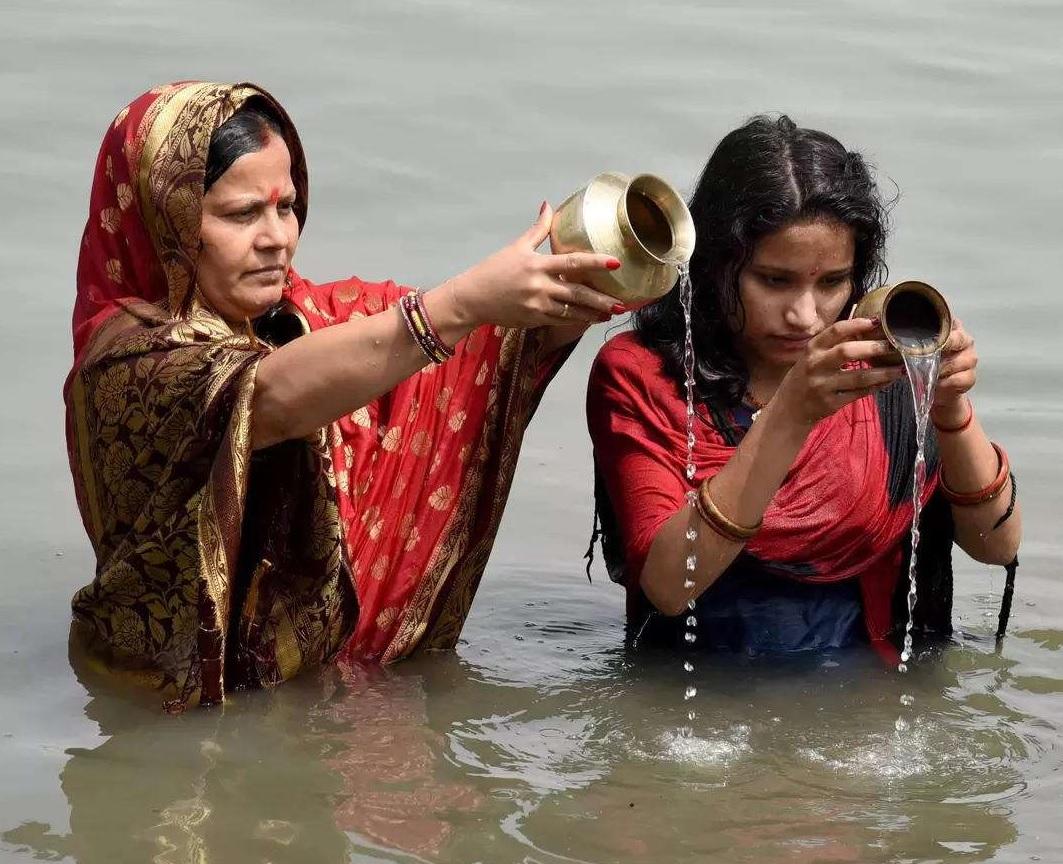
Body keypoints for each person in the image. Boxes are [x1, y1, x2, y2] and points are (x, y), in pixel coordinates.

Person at [66, 81, 628, 709]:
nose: (277, 236)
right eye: (241, 213)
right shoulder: (129, 360)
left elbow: (450, 357)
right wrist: (465, 302)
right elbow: (266, 396)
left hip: (289, 702)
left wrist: (567, 289)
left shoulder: (290, 319)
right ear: (164, 219)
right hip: (161, 716)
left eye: (287, 207)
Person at [586, 115, 1021, 660]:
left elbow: (996, 544)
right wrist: (792, 413)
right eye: (774, 280)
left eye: (832, 282)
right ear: (716, 264)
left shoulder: (884, 368)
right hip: (695, 706)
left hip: (872, 698)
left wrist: (950, 406)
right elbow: (671, 585)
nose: (804, 314)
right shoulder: (643, 375)